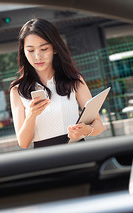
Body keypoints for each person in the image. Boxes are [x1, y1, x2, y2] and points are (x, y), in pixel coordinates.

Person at [9, 18, 104, 148]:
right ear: (23, 52)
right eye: (30, 50)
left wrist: (85, 130)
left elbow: (98, 125)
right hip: (45, 159)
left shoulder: (74, 81)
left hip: (77, 151)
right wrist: (31, 115)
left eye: (44, 49)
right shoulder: (17, 90)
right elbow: (23, 143)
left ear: (55, 48)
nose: (37, 56)